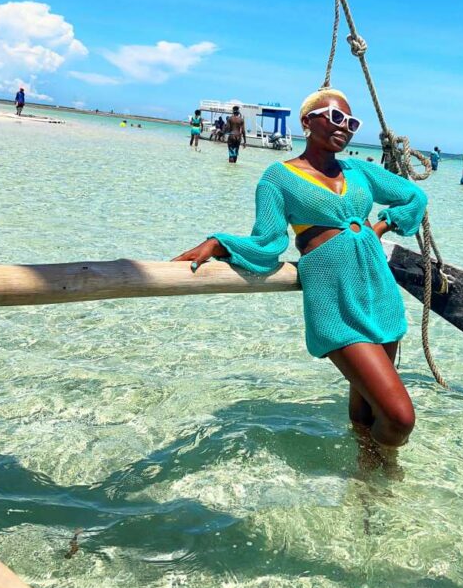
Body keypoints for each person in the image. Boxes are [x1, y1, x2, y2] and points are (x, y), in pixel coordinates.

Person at [173, 88, 427, 451]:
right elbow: (268, 242)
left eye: (352, 122)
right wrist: (219, 244)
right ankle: (377, 471)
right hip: (333, 299)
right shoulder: (279, 177)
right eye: (336, 117)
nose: (346, 128)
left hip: (378, 290)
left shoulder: (359, 170)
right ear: (308, 121)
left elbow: (414, 197)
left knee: (367, 410)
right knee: (400, 418)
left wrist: (382, 226)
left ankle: (369, 480)